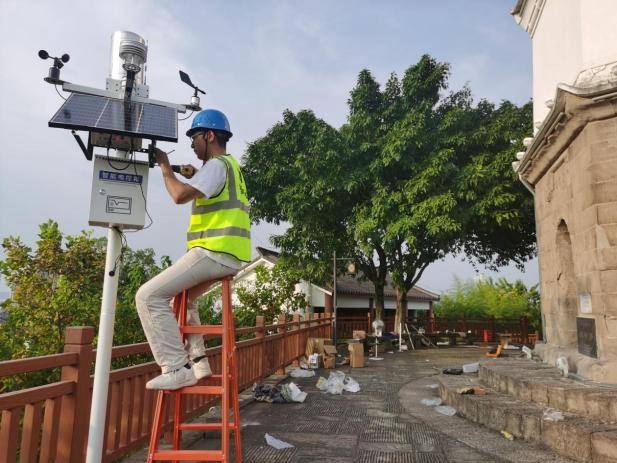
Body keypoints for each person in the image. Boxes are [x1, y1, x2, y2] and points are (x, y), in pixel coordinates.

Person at [135, 109, 251, 390]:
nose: (192, 144)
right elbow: (210, 188)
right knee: (183, 300)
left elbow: (178, 195)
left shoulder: (216, 165)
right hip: (229, 255)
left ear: (209, 136)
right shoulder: (229, 166)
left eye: (194, 138)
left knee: (148, 296)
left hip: (213, 252)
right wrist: (192, 173)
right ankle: (199, 363)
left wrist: (165, 167)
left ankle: (176, 367)